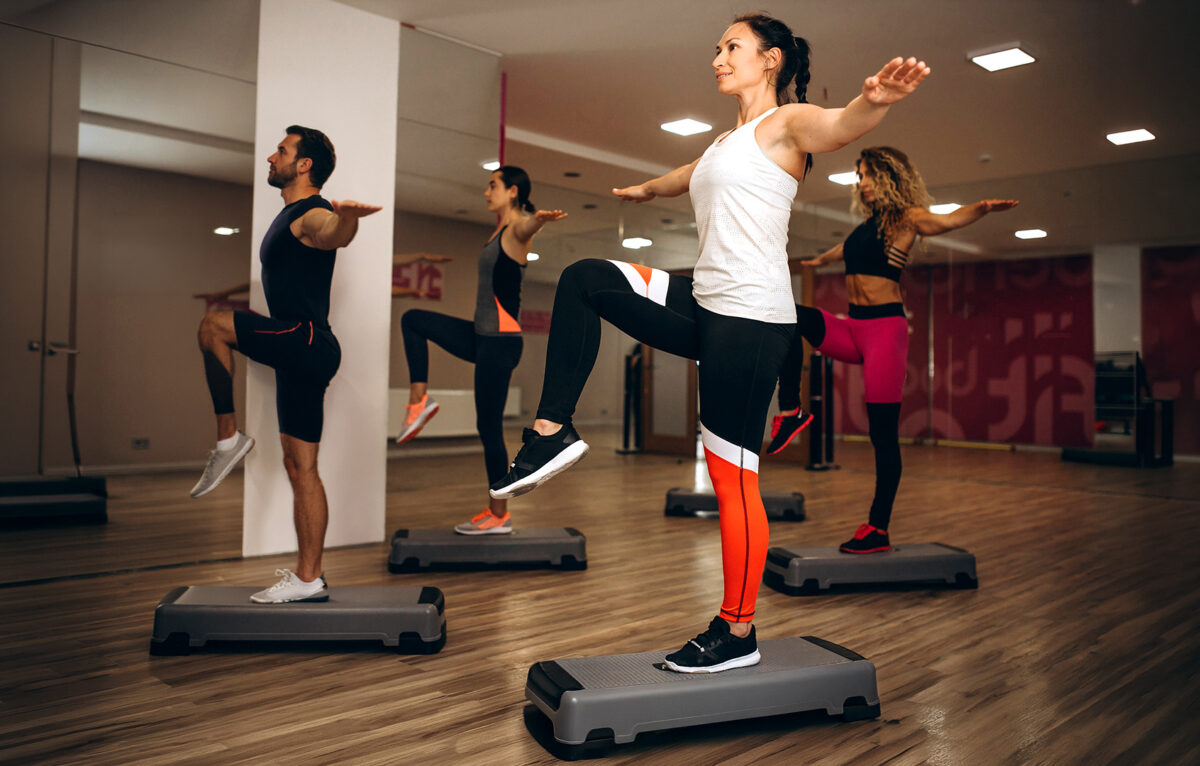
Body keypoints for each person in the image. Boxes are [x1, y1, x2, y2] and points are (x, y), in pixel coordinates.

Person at [489, 13, 930, 672]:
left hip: (752, 322)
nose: (718, 58)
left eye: (732, 47)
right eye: (717, 49)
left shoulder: (787, 123)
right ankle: (552, 430)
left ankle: (738, 629)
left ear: (771, 59)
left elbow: (840, 127)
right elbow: (685, 174)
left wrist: (875, 102)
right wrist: (644, 188)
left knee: (733, 481)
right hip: (705, 299)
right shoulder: (729, 140)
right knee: (584, 280)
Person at [768, 146, 1017, 554]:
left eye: (868, 175)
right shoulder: (865, 227)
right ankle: (792, 410)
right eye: (859, 176)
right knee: (789, 317)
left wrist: (982, 208)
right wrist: (816, 261)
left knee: (882, 436)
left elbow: (945, 221)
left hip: (885, 332)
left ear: (889, 178)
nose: (862, 183)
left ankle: (878, 528)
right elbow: (841, 252)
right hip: (853, 328)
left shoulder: (907, 218)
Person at [191, 125, 381, 603]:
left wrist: (349, 221)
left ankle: (228, 438)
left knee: (213, 327)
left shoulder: (311, 212)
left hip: (306, 340)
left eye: (282, 151)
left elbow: (332, 233)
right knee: (302, 469)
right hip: (307, 348)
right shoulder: (287, 217)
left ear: (304, 165)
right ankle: (308, 578)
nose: (271, 157)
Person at [396, 166, 566, 535]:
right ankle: (419, 402)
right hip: (482, 336)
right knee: (413, 319)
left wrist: (537, 220)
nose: (486, 191)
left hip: (500, 343)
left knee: (488, 428)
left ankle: (499, 515)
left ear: (513, 191)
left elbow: (525, 228)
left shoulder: (517, 228)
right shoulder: (496, 232)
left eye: (493, 186)